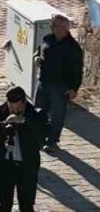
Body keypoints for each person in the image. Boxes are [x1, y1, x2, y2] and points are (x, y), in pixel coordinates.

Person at [35, 14, 84, 153]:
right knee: (39, 111)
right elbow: (39, 51)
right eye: (52, 24)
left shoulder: (73, 48)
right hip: (43, 82)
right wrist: (36, 58)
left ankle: (51, 140)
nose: (51, 27)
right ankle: (39, 137)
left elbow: (77, 70)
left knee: (57, 115)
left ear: (64, 28)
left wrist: (74, 88)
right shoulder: (48, 39)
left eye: (54, 25)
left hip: (60, 87)